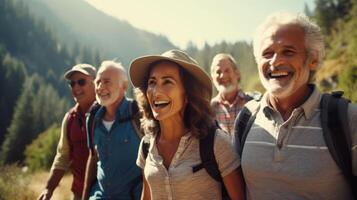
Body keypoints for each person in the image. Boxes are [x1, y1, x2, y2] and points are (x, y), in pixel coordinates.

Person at [237, 12, 357, 199]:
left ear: (313, 60)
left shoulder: (348, 119)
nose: (275, 62)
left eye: (288, 51)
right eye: (267, 53)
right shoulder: (246, 117)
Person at [129, 49, 245, 200]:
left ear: (188, 94)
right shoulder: (146, 145)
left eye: (167, 82)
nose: (156, 91)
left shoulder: (216, 143)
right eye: (152, 82)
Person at [81, 61, 143, 200]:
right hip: (99, 196)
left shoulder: (138, 114)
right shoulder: (92, 118)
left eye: (107, 82)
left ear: (124, 86)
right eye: (98, 82)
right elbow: (93, 158)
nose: (100, 87)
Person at [38, 64, 97, 200]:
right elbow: (63, 157)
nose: (76, 87)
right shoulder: (70, 118)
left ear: (96, 83)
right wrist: (49, 188)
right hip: (78, 193)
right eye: (72, 84)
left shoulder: (108, 114)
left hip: (106, 193)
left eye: (81, 82)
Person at [210, 53, 252, 136]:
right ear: (212, 78)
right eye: (218, 72)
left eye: (227, 71)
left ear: (237, 74)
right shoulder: (209, 110)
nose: (223, 75)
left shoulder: (253, 103)